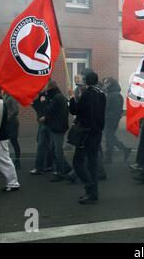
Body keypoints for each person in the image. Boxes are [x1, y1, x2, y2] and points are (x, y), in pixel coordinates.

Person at [69, 71, 106, 204]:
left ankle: (90, 189)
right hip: (96, 133)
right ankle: (94, 193)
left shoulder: (88, 94)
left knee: (77, 163)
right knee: (92, 163)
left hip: (86, 133)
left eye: (83, 79)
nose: (81, 81)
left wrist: (72, 97)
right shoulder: (101, 93)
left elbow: (75, 110)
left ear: (87, 81)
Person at [42, 80, 72, 182]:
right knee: (53, 148)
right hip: (59, 126)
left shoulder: (56, 98)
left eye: (46, 86)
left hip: (57, 128)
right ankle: (66, 167)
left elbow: (49, 111)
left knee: (57, 151)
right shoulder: (58, 96)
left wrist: (44, 101)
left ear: (50, 87)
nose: (44, 87)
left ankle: (60, 172)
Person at [103, 77, 131, 163]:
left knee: (109, 138)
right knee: (110, 137)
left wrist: (109, 119)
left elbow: (116, 111)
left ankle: (109, 156)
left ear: (111, 84)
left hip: (111, 121)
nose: (105, 85)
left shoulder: (115, 95)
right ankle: (125, 149)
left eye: (106, 83)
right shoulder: (111, 94)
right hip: (109, 120)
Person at [30, 90, 54, 175]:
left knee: (51, 146)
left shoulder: (53, 95)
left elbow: (52, 109)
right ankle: (39, 167)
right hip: (43, 124)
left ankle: (49, 165)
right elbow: (37, 107)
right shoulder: (41, 95)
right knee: (41, 145)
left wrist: (45, 116)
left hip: (50, 124)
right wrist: (32, 101)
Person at [3, 94, 21, 169]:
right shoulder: (4, 95)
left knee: (14, 141)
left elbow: (16, 110)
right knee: (4, 141)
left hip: (12, 122)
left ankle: (17, 161)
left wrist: (8, 118)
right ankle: (6, 161)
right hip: (6, 122)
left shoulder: (12, 96)